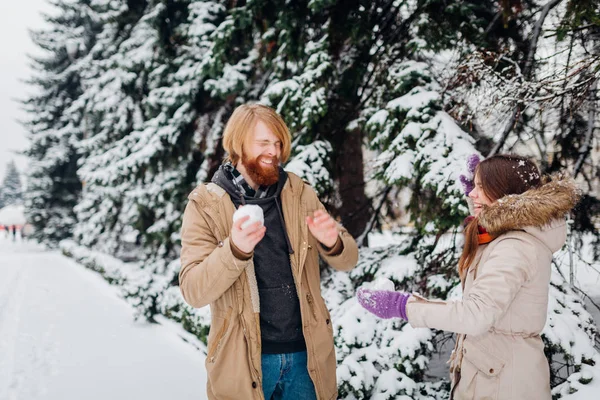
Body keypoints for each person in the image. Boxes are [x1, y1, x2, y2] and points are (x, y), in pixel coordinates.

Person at [357, 154, 580, 400]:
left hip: (504, 385)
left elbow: (476, 315)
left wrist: (402, 306)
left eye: (481, 188)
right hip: (497, 372)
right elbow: (495, 218)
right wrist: (476, 194)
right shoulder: (510, 234)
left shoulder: (513, 247)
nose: (472, 193)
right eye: (473, 186)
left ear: (504, 192)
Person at [179, 103, 359, 400]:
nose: (273, 151)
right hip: (245, 359)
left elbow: (349, 258)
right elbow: (193, 290)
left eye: (277, 143)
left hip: (306, 357)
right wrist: (234, 251)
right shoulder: (206, 205)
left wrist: (333, 242)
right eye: (263, 143)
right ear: (238, 144)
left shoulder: (299, 193)